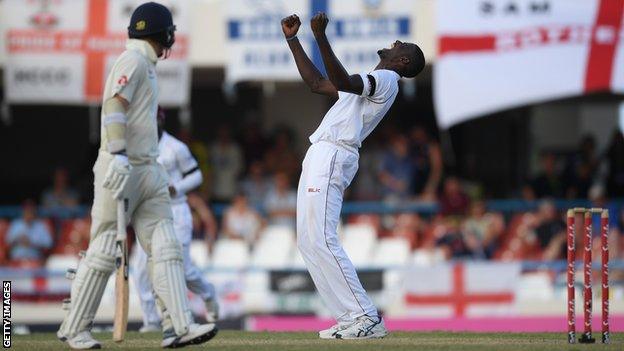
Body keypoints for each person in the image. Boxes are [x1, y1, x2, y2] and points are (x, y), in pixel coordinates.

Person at [57, 3, 216, 348]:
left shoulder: (147, 64)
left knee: (166, 246)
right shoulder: (132, 60)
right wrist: (116, 154)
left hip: (148, 167)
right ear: (164, 34)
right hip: (121, 167)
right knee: (103, 250)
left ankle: (179, 325)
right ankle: (75, 328)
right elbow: (115, 106)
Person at [282, 13, 425, 339]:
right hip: (322, 151)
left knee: (322, 237)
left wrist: (320, 37)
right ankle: (350, 317)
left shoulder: (388, 79)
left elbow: (343, 81)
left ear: (402, 60)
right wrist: (293, 40)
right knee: (308, 241)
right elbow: (317, 84)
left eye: (399, 45)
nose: (394, 43)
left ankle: (365, 317)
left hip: (334, 153)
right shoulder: (373, 79)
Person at [132, 107, 219, 333]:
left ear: (160, 120)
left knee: (182, 268)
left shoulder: (176, 147)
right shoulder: (139, 146)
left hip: (176, 210)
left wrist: (176, 188)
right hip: (149, 212)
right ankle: (151, 320)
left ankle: (208, 294)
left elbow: (196, 174)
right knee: (141, 267)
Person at [6, 200, 53, 267]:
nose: (29, 213)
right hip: (17, 258)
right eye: (27, 211)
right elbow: (7, 241)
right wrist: (18, 238)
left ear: (34, 212)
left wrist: (32, 242)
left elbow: (48, 243)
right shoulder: (16, 224)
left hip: (34, 259)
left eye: (31, 211)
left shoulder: (40, 225)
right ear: (23, 212)